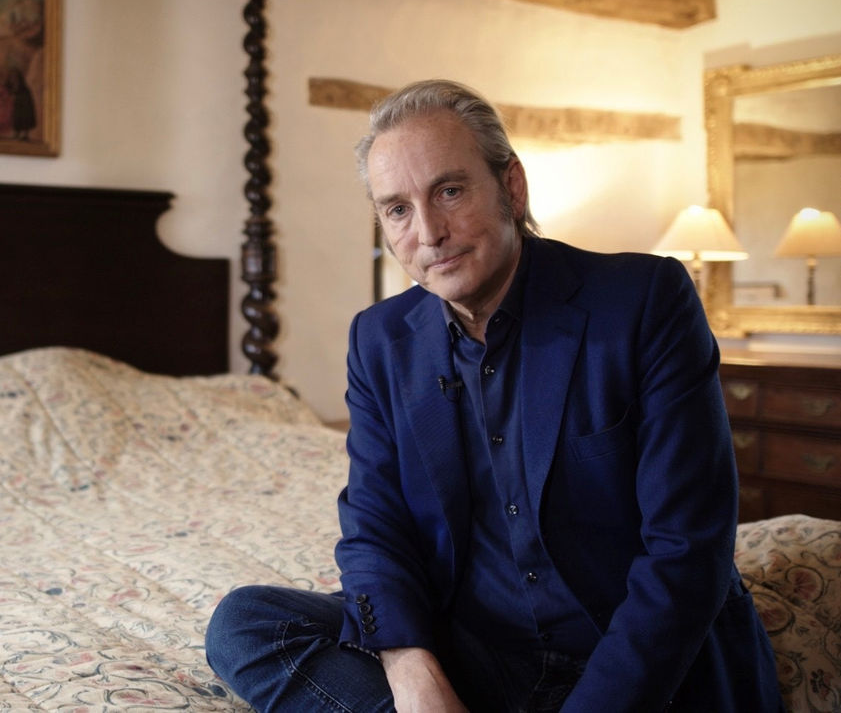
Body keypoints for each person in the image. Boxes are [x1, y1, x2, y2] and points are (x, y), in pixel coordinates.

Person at [205, 79, 781, 712]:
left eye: (449, 191)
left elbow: (686, 550)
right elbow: (375, 524)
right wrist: (410, 666)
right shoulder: (380, 339)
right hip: (481, 652)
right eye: (397, 209)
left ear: (512, 186)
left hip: (630, 653)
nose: (428, 232)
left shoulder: (643, 301)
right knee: (247, 623)